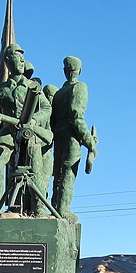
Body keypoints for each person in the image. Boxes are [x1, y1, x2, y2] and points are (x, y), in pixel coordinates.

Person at [0, 43, 52, 220]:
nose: (22, 61)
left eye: (23, 58)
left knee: (36, 167)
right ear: (8, 61)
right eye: (17, 57)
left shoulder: (34, 87)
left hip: (30, 133)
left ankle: (40, 209)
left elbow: (46, 109)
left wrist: (34, 120)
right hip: (9, 133)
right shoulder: (2, 89)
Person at [51, 56, 97, 222]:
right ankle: (63, 209)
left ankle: (55, 206)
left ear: (65, 71)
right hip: (71, 135)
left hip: (58, 135)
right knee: (69, 172)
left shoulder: (58, 94)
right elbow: (76, 115)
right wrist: (89, 142)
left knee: (58, 173)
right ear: (80, 71)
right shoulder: (80, 87)